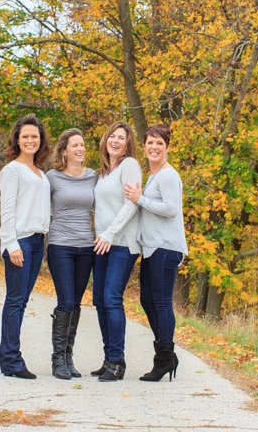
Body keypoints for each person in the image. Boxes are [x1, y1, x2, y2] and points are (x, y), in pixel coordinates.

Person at [124, 123, 188, 382]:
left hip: (166, 247)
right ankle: (166, 353)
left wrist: (140, 199)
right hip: (152, 248)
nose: (154, 147)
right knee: (147, 301)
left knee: (160, 302)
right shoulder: (153, 176)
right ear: (144, 146)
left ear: (167, 147)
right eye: (150, 142)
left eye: (159, 143)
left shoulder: (168, 175)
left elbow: (171, 209)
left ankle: (163, 359)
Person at [0, 113, 51, 379]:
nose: (30, 140)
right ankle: (11, 361)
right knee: (15, 300)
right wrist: (11, 244)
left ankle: (11, 356)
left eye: (34, 136)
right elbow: (7, 211)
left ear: (41, 141)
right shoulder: (12, 170)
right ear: (17, 141)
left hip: (37, 241)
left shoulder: (41, 173)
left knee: (22, 300)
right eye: (25, 136)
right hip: (20, 241)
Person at [92, 120, 142, 382]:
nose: (116, 140)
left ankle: (117, 361)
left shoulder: (129, 166)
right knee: (99, 300)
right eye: (112, 136)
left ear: (127, 143)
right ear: (105, 140)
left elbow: (130, 205)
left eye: (121, 138)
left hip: (122, 242)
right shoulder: (103, 172)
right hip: (102, 243)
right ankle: (108, 357)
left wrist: (110, 233)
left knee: (112, 298)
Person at [46, 128, 97, 380]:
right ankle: (57, 360)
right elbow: (40, 209)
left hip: (86, 247)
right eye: (75, 145)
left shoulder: (94, 177)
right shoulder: (52, 178)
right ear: (64, 149)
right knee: (65, 302)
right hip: (60, 245)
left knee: (76, 303)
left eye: (83, 144)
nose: (81, 148)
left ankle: (68, 356)